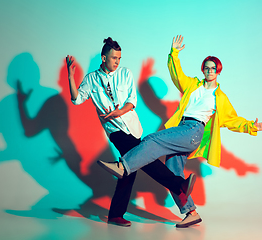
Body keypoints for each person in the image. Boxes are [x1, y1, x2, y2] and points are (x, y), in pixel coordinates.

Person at [98, 35, 262, 228]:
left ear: (218, 71)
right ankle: (191, 212)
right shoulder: (193, 86)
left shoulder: (219, 98)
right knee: (173, 171)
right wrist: (174, 54)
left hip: (193, 131)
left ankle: (124, 166)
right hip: (182, 129)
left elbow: (232, 120)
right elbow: (177, 74)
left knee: (151, 140)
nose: (209, 70)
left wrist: (251, 126)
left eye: (213, 68)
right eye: (206, 67)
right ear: (203, 69)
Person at [67, 37, 196, 227]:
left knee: (130, 169)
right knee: (145, 160)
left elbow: (132, 100)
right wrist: (71, 76)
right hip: (115, 130)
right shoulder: (92, 79)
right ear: (103, 58)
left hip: (133, 127)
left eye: (119, 58)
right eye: (114, 58)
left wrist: (120, 111)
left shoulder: (125, 73)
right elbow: (77, 99)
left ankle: (115, 215)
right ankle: (178, 184)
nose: (117, 62)